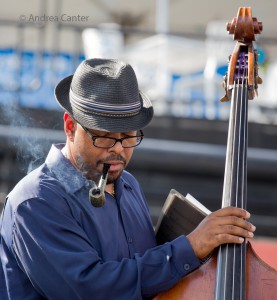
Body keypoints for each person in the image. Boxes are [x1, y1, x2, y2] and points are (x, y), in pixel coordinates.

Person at [0, 58, 255, 300]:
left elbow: (144, 273)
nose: (119, 149)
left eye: (129, 136)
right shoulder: (34, 202)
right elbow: (91, 291)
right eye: (105, 137)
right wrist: (189, 247)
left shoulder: (128, 184)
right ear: (70, 127)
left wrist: (202, 243)